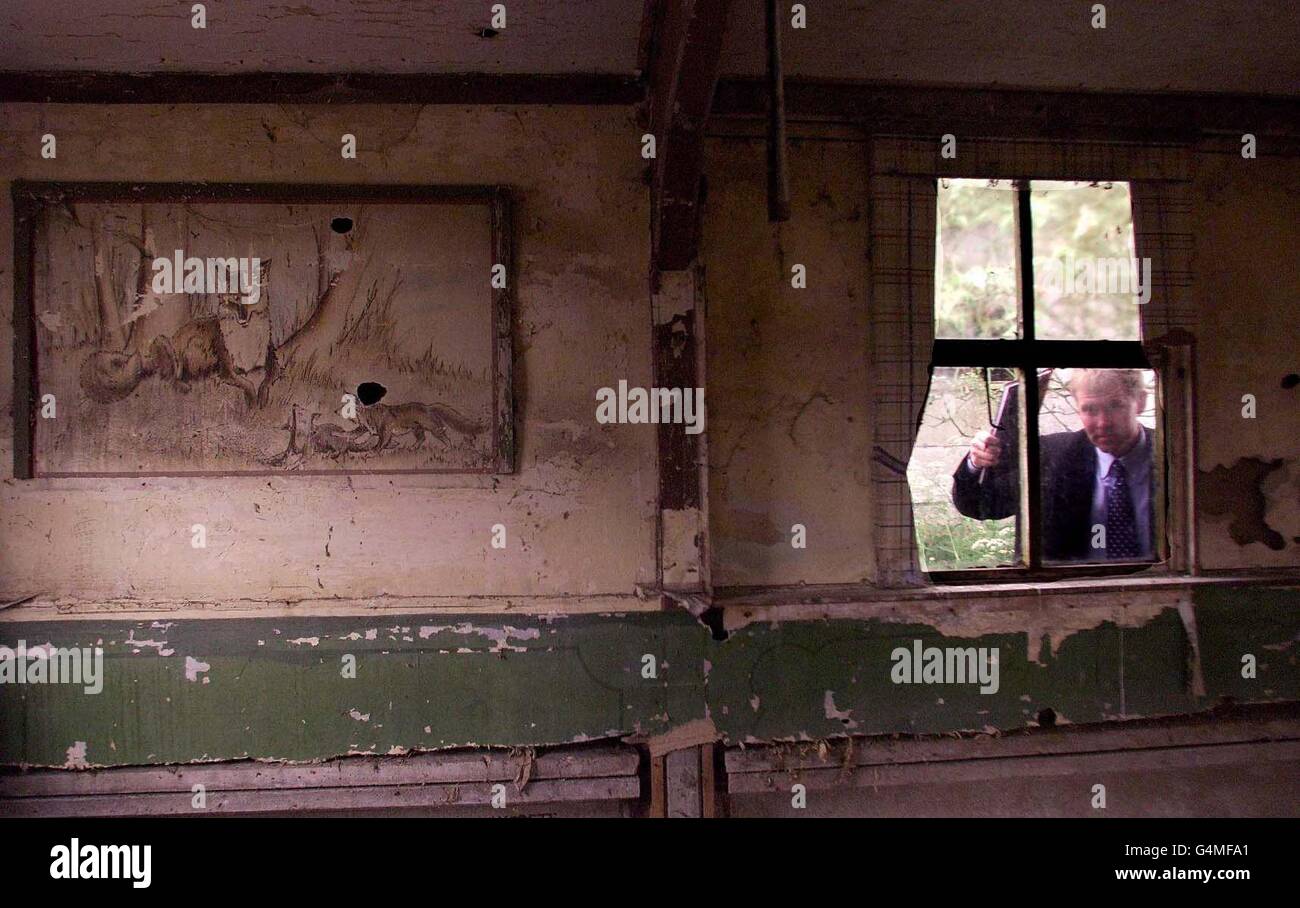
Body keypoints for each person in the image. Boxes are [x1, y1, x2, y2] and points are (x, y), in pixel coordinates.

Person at [951, 369, 1156, 562]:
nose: (1103, 422)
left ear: (1140, 402)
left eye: (1115, 406)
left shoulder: (1180, 457)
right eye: (1090, 410)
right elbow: (978, 505)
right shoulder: (1050, 457)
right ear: (1077, 408)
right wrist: (976, 462)